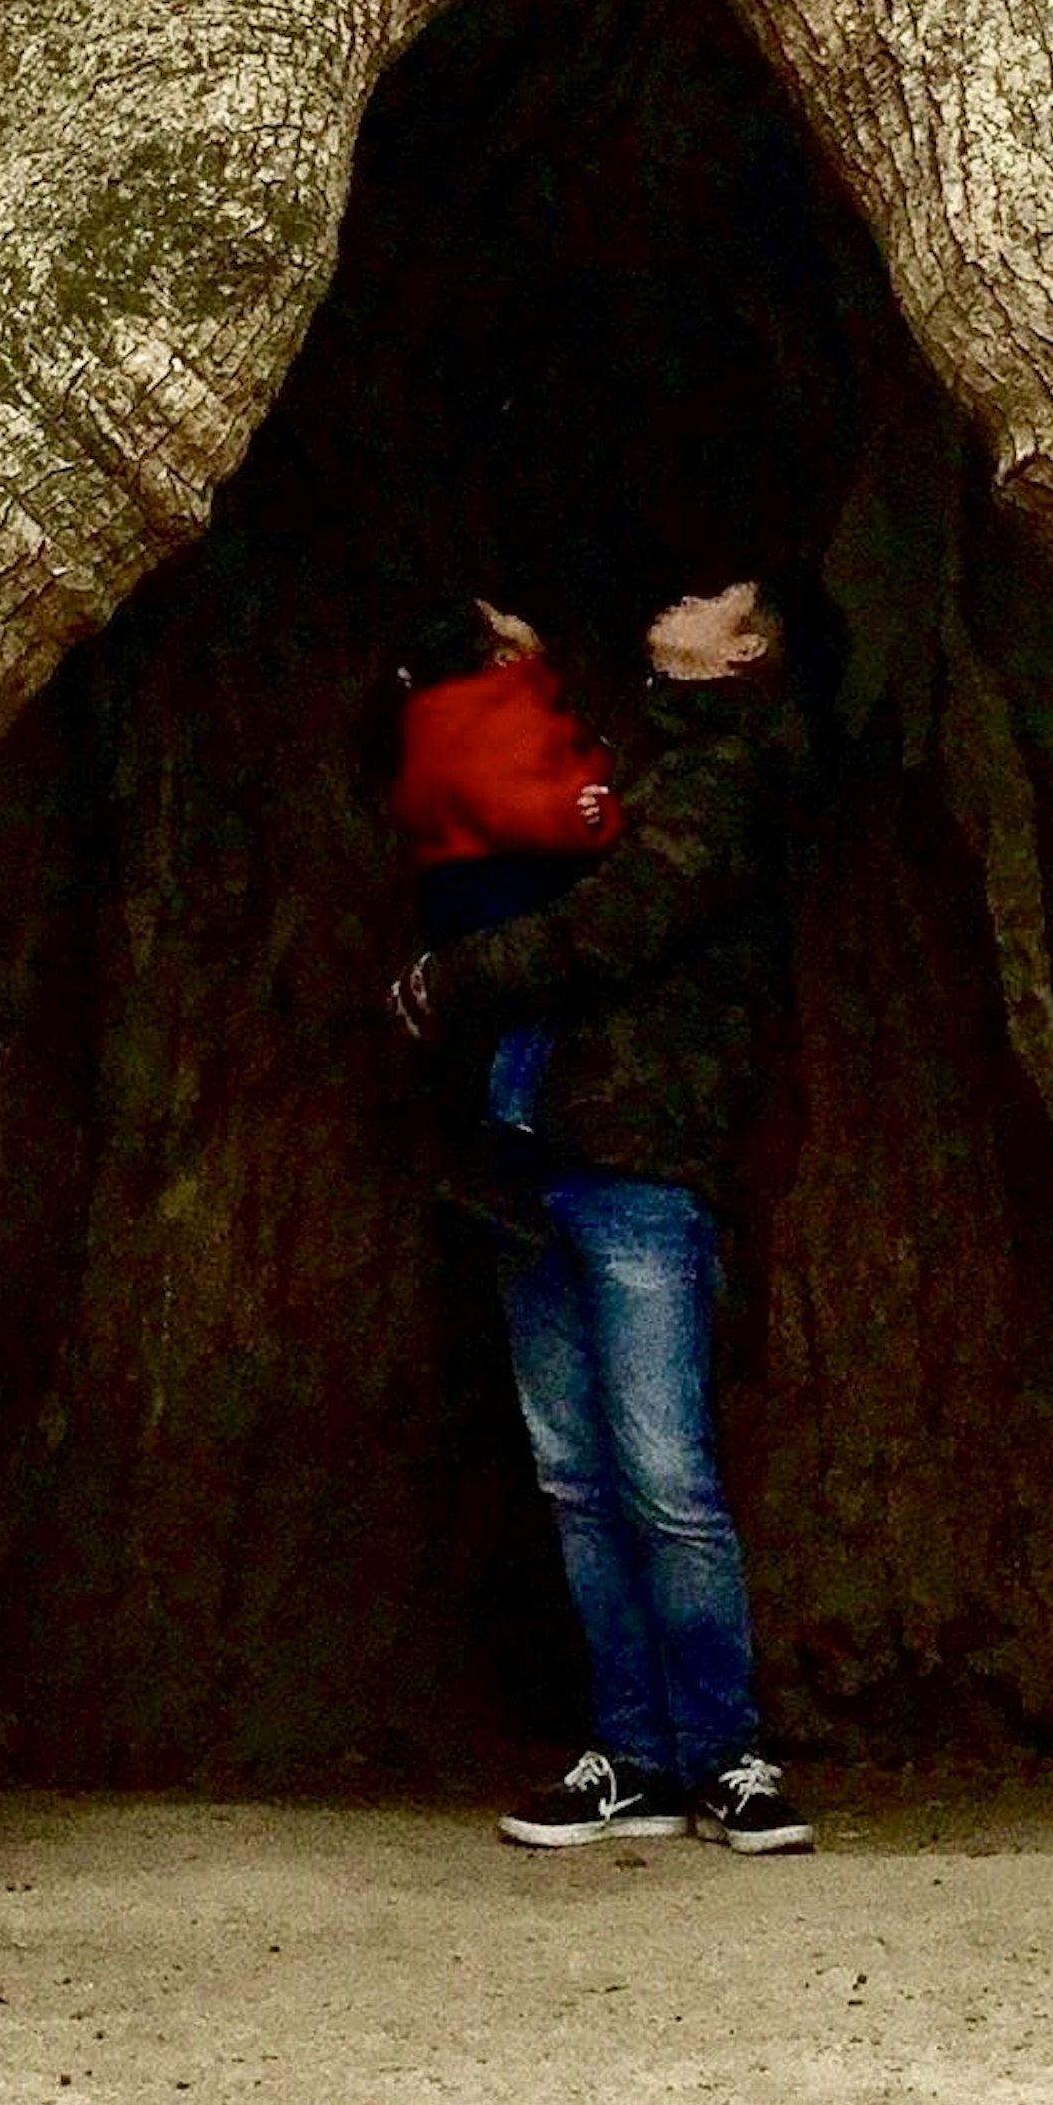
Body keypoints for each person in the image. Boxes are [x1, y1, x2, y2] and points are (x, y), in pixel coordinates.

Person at [389, 575, 812, 1859]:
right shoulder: (613, 751)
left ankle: (729, 1756)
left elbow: (618, 924)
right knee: (576, 1475)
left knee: (667, 1475)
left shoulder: (730, 771)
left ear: (745, 650)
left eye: (718, 594)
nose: (681, 592)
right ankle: (630, 1754)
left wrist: (451, 977)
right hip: (525, 1155)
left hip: (638, 1156)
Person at [387, 599, 621, 1252]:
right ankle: (508, 1124)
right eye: (507, 616)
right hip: (506, 876)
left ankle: (483, 1124)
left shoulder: (435, 715)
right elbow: (511, 797)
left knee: (491, 1014)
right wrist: (590, 813)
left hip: (452, 879)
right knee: (542, 999)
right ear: (502, 655)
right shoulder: (498, 707)